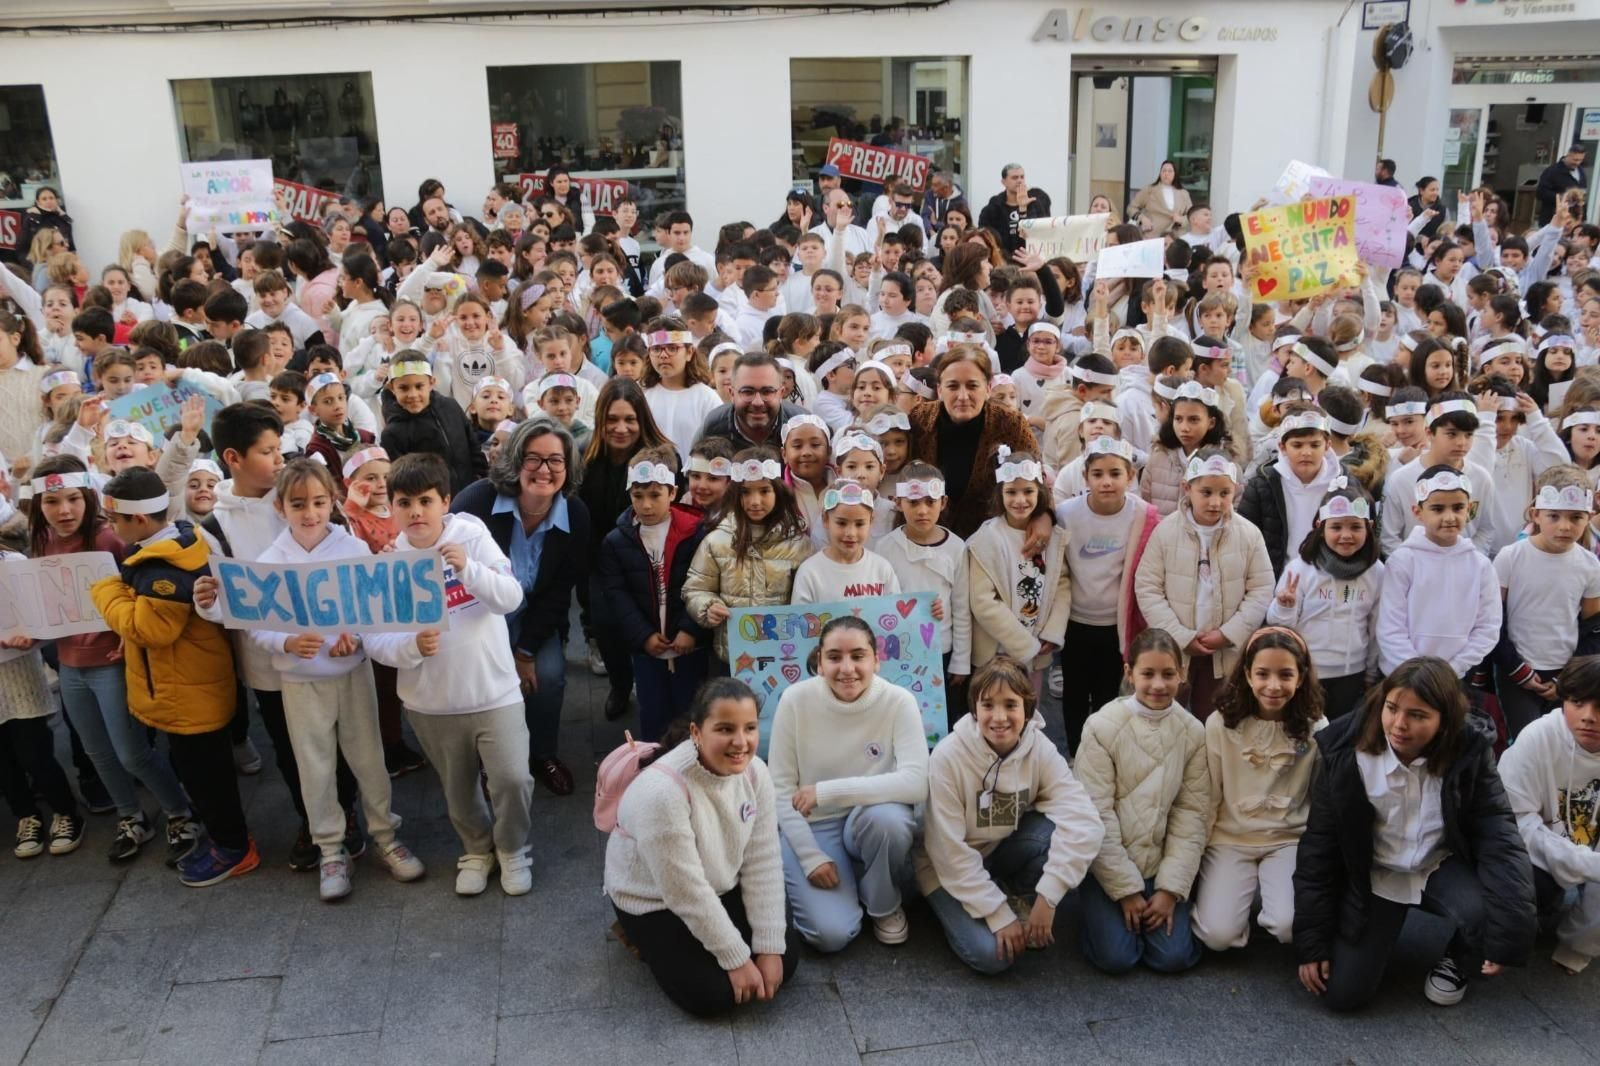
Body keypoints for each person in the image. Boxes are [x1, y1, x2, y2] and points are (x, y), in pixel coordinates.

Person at [1293, 656, 1536, 1011]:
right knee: (1343, 997)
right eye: (1392, 708)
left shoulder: (1469, 750)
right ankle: (1369, 931)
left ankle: (1458, 958)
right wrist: (1312, 943)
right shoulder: (1346, 754)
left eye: (1418, 715)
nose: (1399, 724)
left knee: (1488, 910)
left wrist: (1506, 936)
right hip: (1376, 876)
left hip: (1439, 865)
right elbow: (1318, 849)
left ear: (1445, 720)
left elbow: (1498, 834)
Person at [237, 459, 424, 900]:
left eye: (319, 502)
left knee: (369, 758)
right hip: (301, 683)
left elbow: (371, 609)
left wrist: (354, 637)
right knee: (315, 765)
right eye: (298, 504)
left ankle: (385, 836)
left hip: (352, 674)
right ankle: (330, 849)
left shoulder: (352, 549)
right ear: (280, 507)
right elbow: (255, 622)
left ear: (333, 501)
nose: (310, 513)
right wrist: (286, 643)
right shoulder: (270, 559)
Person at [364, 453, 536, 896]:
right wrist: (411, 646)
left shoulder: (471, 537)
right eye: (404, 503)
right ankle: (477, 849)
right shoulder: (387, 563)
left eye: (425, 500)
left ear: (445, 501)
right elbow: (376, 641)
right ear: (392, 508)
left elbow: (510, 597)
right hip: (431, 702)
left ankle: (512, 848)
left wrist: (467, 569)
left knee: (513, 778)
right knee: (457, 790)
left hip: (494, 690)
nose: (416, 512)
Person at [203, 402, 364, 870]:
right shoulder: (216, 525)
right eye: (267, 451)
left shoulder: (303, 497)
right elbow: (226, 604)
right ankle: (312, 822)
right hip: (272, 665)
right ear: (232, 458)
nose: (278, 460)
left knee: (343, 742)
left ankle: (347, 815)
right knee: (294, 749)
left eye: (279, 449)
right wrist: (207, 599)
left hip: (336, 652)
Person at [90, 468, 254, 886]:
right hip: (192, 687)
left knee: (207, 778)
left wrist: (106, 591)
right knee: (203, 774)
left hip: (188, 695)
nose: (112, 527)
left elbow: (150, 630)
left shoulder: (163, 569)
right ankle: (225, 837)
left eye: (115, 520)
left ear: (139, 521)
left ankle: (234, 849)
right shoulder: (181, 539)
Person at [30, 456, 195, 863]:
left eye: (72, 499)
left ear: (88, 497)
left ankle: (179, 813)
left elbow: (138, 593)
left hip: (111, 662)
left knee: (131, 751)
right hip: (70, 665)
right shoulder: (40, 543)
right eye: (52, 502)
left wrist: (129, 638)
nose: (64, 510)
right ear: (38, 506)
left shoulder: (110, 540)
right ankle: (130, 816)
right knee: (95, 751)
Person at [604, 677, 798, 1017]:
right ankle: (639, 936)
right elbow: (685, 891)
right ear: (696, 732)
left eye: (749, 728)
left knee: (785, 959)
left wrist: (767, 947)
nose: (741, 742)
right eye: (725, 729)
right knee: (714, 996)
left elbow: (763, 860)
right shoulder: (662, 793)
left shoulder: (756, 772)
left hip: (720, 882)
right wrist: (736, 959)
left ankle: (703, 944)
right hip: (654, 899)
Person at [917, 655, 1105, 974]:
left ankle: (1013, 891)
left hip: (999, 850)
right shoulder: (948, 757)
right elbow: (946, 852)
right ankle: (955, 908)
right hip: (944, 868)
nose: (999, 717)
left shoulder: (1040, 749)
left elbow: (1086, 821)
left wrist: (1050, 897)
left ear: (1028, 711)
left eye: (1010, 705)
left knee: (1053, 829)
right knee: (994, 957)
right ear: (974, 710)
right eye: (988, 705)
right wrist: (997, 914)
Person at [768, 616, 929, 951]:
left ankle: (883, 903)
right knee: (830, 936)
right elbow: (781, 789)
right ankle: (845, 881)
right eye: (834, 657)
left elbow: (916, 783)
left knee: (890, 820)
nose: (847, 668)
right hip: (815, 827)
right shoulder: (794, 700)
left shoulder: (899, 701)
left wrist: (826, 791)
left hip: (866, 817)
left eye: (858, 656)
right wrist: (810, 856)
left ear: (876, 660)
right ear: (819, 662)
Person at [451, 418, 590, 797]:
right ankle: (485, 760)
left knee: (546, 675)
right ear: (515, 460)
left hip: (534, 616)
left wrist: (526, 651)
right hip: (479, 616)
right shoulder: (476, 503)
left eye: (555, 461)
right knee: (484, 683)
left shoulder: (575, 515)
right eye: (533, 458)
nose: (544, 470)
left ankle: (542, 753)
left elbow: (560, 592)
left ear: (568, 466)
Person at [1075, 627, 1209, 974]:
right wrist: (1125, 890)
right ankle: (1094, 914)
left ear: (1182, 673)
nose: (1158, 685)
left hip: (1160, 863)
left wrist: (1170, 889)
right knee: (1117, 958)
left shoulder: (1193, 733)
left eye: (1168, 674)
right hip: (1109, 863)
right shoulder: (1101, 727)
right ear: (1129, 673)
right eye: (1147, 674)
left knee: (1173, 958)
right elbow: (1095, 814)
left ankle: (1156, 911)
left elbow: (1191, 814)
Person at [1192, 627, 1326, 952]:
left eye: (1285, 674)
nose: (1274, 685)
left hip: (1288, 838)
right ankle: (1227, 902)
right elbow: (1207, 795)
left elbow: (1320, 796)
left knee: (1288, 926)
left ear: (1301, 676)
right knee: (1216, 936)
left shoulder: (1316, 728)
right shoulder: (1219, 724)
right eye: (1263, 674)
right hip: (1230, 837)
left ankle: (1274, 904)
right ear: (1248, 675)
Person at [1134, 450, 1274, 720]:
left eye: (1224, 493)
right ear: (1187, 488)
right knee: (1164, 717)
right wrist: (1179, 636)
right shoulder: (1166, 532)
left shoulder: (1248, 534)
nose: (1215, 502)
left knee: (1214, 719)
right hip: (1173, 650)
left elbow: (1261, 588)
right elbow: (1148, 587)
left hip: (1223, 652)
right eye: (1206, 492)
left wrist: (1229, 633)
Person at [593, 447, 709, 742]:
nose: (645, 505)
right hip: (647, 651)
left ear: (673, 492)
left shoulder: (697, 533)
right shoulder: (616, 541)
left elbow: (705, 584)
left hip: (689, 649)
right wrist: (643, 635)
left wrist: (689, 629)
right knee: (653, 717)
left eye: (655, 495)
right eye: (637, 495)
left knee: (693, 715)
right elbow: (617, 596)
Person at [1498, 656, 1600, 975]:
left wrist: (1579, 946)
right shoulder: (1539, 737)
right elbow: (1515, 819)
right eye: (1577, 702)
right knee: (1528, 890)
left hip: (1586, 845)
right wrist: (1584, 863)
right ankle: (1543, 904)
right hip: (1542, 847)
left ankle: (1577, 938)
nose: (1588, 718)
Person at [682, 447, 813, 669]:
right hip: (731, 656)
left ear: (778, 491)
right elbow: (695, 589)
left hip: (783, 655)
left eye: (764, 491)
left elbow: (809, 597)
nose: (754, 501)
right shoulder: (717, 541)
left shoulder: (799, 544)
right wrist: (707, 606)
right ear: (734, 493)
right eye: (745, 492)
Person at [1492, 476, 1600, 740]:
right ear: (1535, 514)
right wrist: (1518, 670)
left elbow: (1593, 629)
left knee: (1563, 742)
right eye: (1554, 516)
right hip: (1516, 670)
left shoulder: (1590, 565)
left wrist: (1566, 677)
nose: (1565, 527)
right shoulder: (1510, 557)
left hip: (1566, 674)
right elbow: (1494, 620)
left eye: (1576, 517)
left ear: (1589, 517)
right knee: (1523, 741)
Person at [1266, 478, 1385, 719]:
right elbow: (1279, 627)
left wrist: (1371, 672)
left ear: (1369, 527)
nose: (1346, 535)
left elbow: (1376, 627)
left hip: (1351, 673)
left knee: (1338, 741)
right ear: (1321, 528)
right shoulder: (1300, 569)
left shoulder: (1377, 572)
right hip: (1306, 671)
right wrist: (1284, 606)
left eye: (1355, 527)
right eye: (1336, 527)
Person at [1376, 466, 1501, 680]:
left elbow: (1488, 626)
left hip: (1455, 677)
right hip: (1402, 676)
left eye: (1458, 507)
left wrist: (1455, 667)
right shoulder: (1403, 561)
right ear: (1418, 512)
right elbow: (1390, 626)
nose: (1449, 517)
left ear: (1469, 509)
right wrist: (1416, 672)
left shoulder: (1480, 566)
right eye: (1438, 509)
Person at [907, 345, 1038, 538]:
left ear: (987, 389)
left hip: (993, 538)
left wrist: (1044, 517)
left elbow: (1036, 477)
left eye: (972, 385)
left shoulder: (1011, 423)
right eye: (952, 386)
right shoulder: (919, 419)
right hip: (929, 537)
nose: (962, 396)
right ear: (940, 390)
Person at [967, 447, 1068, 688]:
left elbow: (1061, 585)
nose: (1020, 500)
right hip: (997, 654)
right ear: (1000, 493)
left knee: (1030, 712)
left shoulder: (1053, 537)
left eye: (1028, 491)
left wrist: (1052, 633)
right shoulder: (987, 539)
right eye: (1011, 492)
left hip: (1038, 648)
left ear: (1039, 491)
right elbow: (982, 601)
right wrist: (1025, 646)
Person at [1236, 407, 1342, 577]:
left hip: (1328, 583)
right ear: (1282, 447)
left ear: (1328, 446)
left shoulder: (1343, 485)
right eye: (1297, 445)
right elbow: (1243, 541)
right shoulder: (1262, 486)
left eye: (1315, 445)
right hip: (1275, 582)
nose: (1306, 452)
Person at [697, 352, 808, 452]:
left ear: (781, 393)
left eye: (767, 392)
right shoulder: (714, 427)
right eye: (748, 392)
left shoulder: (803, 425)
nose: (758, 402)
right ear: (732, 394)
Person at [977, 164, 1052, 256]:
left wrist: (1023, 209)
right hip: (1002, 259)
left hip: (1030, 257)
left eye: (1022, 177)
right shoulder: (993, 208)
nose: (1019, 180)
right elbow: (986, 235)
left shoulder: (1035, 204)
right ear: (1004, 182)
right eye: (1015, 178)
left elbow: (1041, 232)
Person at [1126, 161, 1193, 238]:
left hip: (1175, 236)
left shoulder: (1184, 193)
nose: (1166, 174)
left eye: (1170, 171)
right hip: (1153, 234)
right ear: (1160, 173)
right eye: (1164, 170)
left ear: (1175, 174)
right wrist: (1142, 219)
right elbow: (1131, 208)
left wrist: (1181, 220)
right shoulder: (1149, 190)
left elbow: (1192, 215)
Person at [1536, 145, 1587, 227]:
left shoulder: (1581, 171)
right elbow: (1540, 193)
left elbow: (1582, 193)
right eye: (1575, 159)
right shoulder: (1552, 171)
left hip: (1572, 221)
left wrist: (1582, 218)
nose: (1577, 163)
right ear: (1568, 155)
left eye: (1580, 160)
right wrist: (1562, 197)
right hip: (1552, 219)